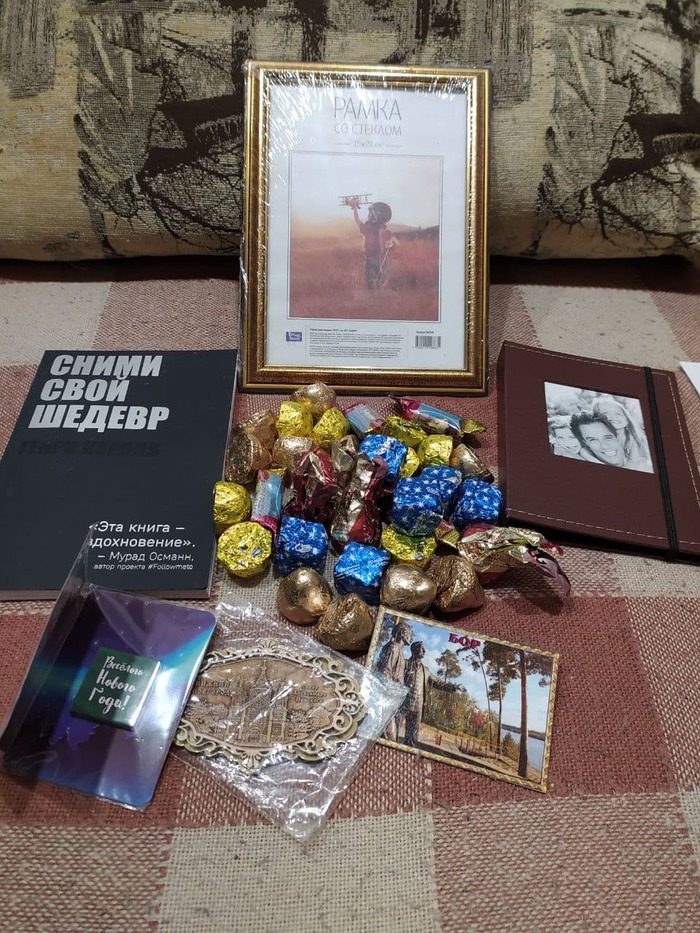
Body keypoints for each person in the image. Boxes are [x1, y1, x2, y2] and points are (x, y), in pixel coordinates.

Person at [402, 641, 454, 748]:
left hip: (418, 705)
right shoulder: (405, 664)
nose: (425, 651)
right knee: (395, 728)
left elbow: (438, 683)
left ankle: (408, 750)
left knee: (413, 736)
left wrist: (453, 687)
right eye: (422, 648)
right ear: (415, 650)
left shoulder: (426, 670)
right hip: (403, 702)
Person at [375, 617, 413, 741]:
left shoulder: (399, 650)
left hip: (393, 697)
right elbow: (385, 672)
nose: (411, 638)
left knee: (391, 734)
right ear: (402, 633)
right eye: (409, 634)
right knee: (389, 735)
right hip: (387, 698)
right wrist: (391, 693)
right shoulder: (393, 647)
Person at [350, 198, 398, 289]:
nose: (369, 215)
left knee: (382, 281)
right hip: (370, 259)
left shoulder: (384, 231)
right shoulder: (368, 228)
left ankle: (378, 294)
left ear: (378, 214)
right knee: (371, 282)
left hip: (382, 260)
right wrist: (355, 208)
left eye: (372, 212)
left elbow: (396, 242)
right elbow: (357, 221)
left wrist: (390, 243)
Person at [593, 399, 653, 472]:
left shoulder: (634, 438)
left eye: (618, 414)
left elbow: (633, 463)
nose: (612, 416)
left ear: (627, 418)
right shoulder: (597, 440)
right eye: (605, 413)